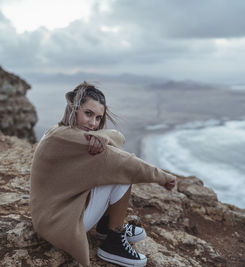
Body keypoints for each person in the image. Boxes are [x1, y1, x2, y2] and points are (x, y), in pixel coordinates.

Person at [30, 82, 176, 267]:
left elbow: (118, 136)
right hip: (59, 224)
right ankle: (113, 240)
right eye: (88, 113)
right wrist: (163, 177)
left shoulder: (59, 132)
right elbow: (124, 161)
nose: (93, 123)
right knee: (122, 174)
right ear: (73, 109)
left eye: (98, 118)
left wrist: (103, 136)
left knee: (112, 171)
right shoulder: (70, 139)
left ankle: (105, 226)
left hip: (52, 216)